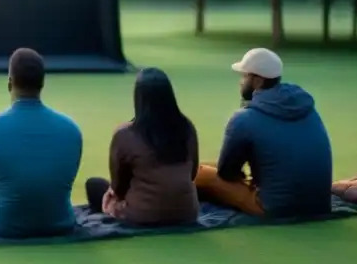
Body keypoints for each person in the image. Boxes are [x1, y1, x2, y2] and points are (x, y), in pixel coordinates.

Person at [0, 48, 82, 238]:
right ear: (42, 83)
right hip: (60, 223)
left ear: (10, 83)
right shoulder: (72, 129)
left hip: (3, 226)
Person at [195, 48, 333, 218]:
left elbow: (226, 173)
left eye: (245, 76)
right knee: (212, 166)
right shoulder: (308, 109)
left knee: (200, 173)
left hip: (273, 208)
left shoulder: (244, 119)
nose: (241, 82)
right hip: (320, 204)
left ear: (258, 81)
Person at [85, 67, 199, 226]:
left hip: (142, 216)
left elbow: (118, 186)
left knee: (94, 185)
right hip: (186, 212)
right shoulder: (187, 127)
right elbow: (192, 173)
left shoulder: (125, 134)